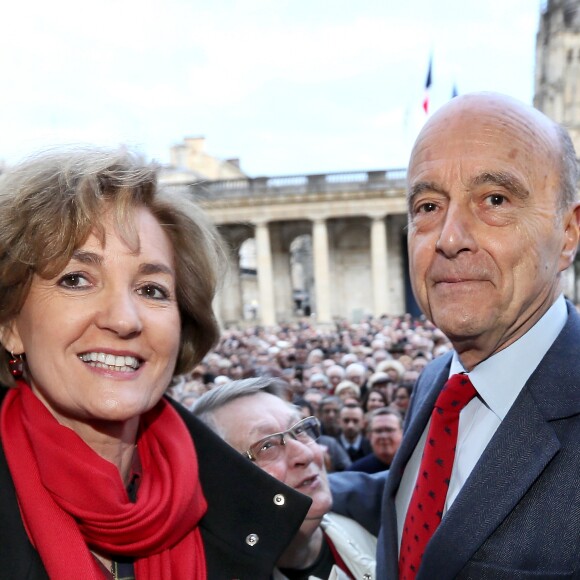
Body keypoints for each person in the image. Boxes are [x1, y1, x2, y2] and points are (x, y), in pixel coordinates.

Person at [0, 147, 310, 579]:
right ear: (10, 323)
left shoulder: (245, 513)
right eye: (76, 279)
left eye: (152, 289)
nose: (125, 319)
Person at [331, 92, 580, 578]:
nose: (448, 237)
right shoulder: (438, 381)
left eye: (494, 200)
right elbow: (445, 496)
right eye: (428, 205)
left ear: (568, 232)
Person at [192, 377, 377, 580]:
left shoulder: (381, 529)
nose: (305, 454)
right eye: (266, 446)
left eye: (299, 430)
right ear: (222, 484)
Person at [347, 408, 402, 474]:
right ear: (369, 436)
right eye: (378, 431)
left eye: (389, 430)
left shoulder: (414, 467)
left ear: (402, 433)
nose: (384, 436)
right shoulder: (355, 472)